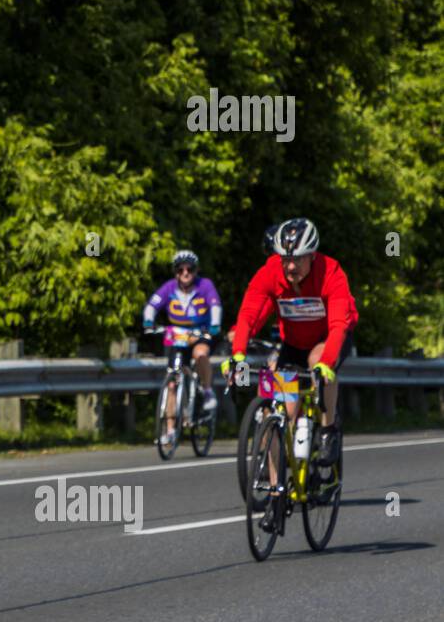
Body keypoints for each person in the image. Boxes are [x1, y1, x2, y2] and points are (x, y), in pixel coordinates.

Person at [223, 218, 358, 530]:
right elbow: (248, 315)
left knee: (317, 363)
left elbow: (338, 325)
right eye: (285, 259)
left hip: (329, 338)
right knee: (281, 407)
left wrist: (326, 361)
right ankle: (276, 493)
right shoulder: (271, 272)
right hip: (293, 341)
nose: (290, 267)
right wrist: (238, 355)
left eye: (296, 259)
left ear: (312, 255)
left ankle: (327, 431)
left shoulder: (332, 273)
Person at [143, 250, 222, 449]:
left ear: (196, 271)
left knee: (200, 354)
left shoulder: (205, 286)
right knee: (172, 382)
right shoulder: (169, 288)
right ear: (176, 272)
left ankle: (207, 390)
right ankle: (170, 430)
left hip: (199, 334)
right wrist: (148, 320)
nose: (185, 273)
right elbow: (152, 304)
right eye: (181, 270)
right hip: (176, 336)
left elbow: (215, 306)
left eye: (190, 269)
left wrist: (214, 325)